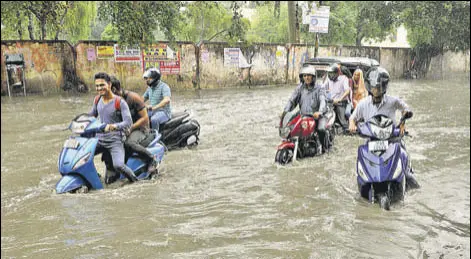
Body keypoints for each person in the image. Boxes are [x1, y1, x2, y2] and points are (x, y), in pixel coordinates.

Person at [348, 66, 419, 188]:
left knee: (408, 173)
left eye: (379, 87)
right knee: (361, 170)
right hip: (372, 141)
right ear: (370, 86)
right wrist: (352, 125)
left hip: (392, 140)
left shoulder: (392, 101)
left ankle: (409, 180)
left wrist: (403, 121)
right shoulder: (363, 104)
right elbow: (352, 118)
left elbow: (405, 108)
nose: (376, 90)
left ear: (384, 87)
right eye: (374, 87)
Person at [88, 72, 138, 183]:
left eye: (102, 85)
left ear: (109, 84)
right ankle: (92, 178)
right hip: (99, 139)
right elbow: (91, 115)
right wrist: (81, 121)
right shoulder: (97, 100)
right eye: (97, 86)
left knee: (119, 165)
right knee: (83, 156)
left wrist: (113, 126)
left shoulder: (119, 102)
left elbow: (128, 122)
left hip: (115, 140)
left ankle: (136, 181)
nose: (99, 88)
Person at [110, 76, 158, 180]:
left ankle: (151, 159)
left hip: (141, 129)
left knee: (128, 143)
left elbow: (145, 118)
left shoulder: (133, 98)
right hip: (123, 130)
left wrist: (131, 128)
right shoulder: (111, 101)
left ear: (113, 89)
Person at [282, 65, 329, 153]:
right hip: (304, 115)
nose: (306, 78)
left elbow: (323, 100)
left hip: (318, 116)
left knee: (321, 129)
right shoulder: (300, 88)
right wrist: (285, 111)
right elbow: (292, 100)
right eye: (304, 76)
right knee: (290, 127)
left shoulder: (320, 88)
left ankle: (325, 149)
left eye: (309, 75)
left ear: (313, 77)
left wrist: (320, 112)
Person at [142, 67, 172, 132]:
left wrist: (153, 107)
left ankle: (155, 137)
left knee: (154, 119)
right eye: (146, 79)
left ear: (154, 78)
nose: (146, 80)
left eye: (148, 78)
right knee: (141, 117)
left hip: (164, 112)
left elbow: (167, 100)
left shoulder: (164, 87)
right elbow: (142, 99)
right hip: (152, 111)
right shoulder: (150, 88)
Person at [324, 63, 351, 133]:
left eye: (332, 73)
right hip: (331, 102)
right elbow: (323, 88)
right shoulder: (328, 79)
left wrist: (340, 98)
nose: (330, 75)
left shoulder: (344, 78)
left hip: (341, 102)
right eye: (329, 73)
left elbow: (347, 90)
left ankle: (346, 128)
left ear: (337, 73)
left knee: (342, 118)